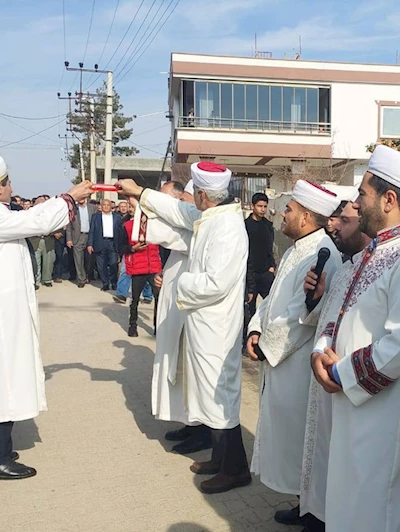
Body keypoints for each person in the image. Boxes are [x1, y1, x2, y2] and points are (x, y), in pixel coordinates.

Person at [307, 145, 400, 531]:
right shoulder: (373, 252)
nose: (356, 203)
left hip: (382, 416)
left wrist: (341, 374)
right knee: (347, 503)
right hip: (350, 407)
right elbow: (339, 313)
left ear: (389, 200)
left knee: (375, 510)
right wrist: (321, 351)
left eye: (363, 194)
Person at [118, 161, 251, 494]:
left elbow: (216, 283)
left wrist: (181, 283)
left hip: (217, 329)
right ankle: (219, 459)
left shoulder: (228, 228)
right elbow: (176, 210)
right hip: (204, 325)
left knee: (220, 397)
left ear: (203, 194)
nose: (191, 201)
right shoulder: (211, 216)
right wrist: (139, 192)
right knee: (206, 393)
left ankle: (235, 469)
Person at [0, 155, 92, 479]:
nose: (12, 188)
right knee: (2, 381)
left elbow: (28, 219)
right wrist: (69, 197)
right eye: (8, 183)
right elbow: (36, 221)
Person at [245, 180, 342, 525]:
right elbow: (273, 300)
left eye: (288, 209)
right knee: (290, 440)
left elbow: (301, 316)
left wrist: (266, 346)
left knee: (304, 441)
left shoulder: (322, 253)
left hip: (298, 363)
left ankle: (314, 515)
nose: (281, 214)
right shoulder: (295, 248)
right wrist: (255, 329)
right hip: (281, 361)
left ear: (305, 217)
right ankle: (304, 506)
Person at [299, 197, 371, 532]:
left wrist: (345, 371)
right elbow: (327, 319)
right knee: (320, 450)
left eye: (345, 220)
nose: (335, 226)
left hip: (352, 381)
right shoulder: (345, 267)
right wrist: (314, 299)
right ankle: (312, 511)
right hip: (326, 371)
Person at [136, 180, 205, 455]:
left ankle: (201, 431)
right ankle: (188, 423)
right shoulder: (188, 223)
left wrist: (141, 203)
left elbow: (174, 237)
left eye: (170, 202)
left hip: (194, 314)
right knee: (179, 370)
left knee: (191, 372)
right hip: (177, 310)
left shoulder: (204, 226)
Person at [118, 210, 162, 338]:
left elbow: (164, 248)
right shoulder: (127, 226)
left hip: (154, 267)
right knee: (135, 299)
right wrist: (132, 248)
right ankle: (132, 326)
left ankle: (158, 327)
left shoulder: (156, 226)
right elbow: (120, 247)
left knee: (159, 299)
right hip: (138, 268)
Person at [244, 192, 276, 342]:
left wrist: (272, 266)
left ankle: (269, 337)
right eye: (259, 206)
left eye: (265, 206)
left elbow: (270, 248)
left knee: (273, 305)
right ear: (253, 206)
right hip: (250, 274)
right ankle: (248, 340)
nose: (262, 209)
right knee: (249, 310)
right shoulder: (245, 226)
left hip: (266, 273)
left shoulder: (268, 225)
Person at [88, 199, 123, 291]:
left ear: (111, 206)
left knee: (113, 264)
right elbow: (92, 231)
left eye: (108, 205)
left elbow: (120, 232)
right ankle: (105, 283)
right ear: (101, 206)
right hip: (100, 242)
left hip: (112, 243)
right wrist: (90, 244)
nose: (106, 206)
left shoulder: (117, 217)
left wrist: (120, 245)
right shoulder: (96, 217)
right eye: (104, 205)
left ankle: (114, 283)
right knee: (101, 265)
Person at [66, 195, 97, 287]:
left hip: (90, 236)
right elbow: (69, 225)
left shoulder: (92, 208)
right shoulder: (73, 209)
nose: (81, 199)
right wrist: (69, 239)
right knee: (78, 259)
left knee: (90, 259)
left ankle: (88, 275)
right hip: (77, 236)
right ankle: (81, 279)